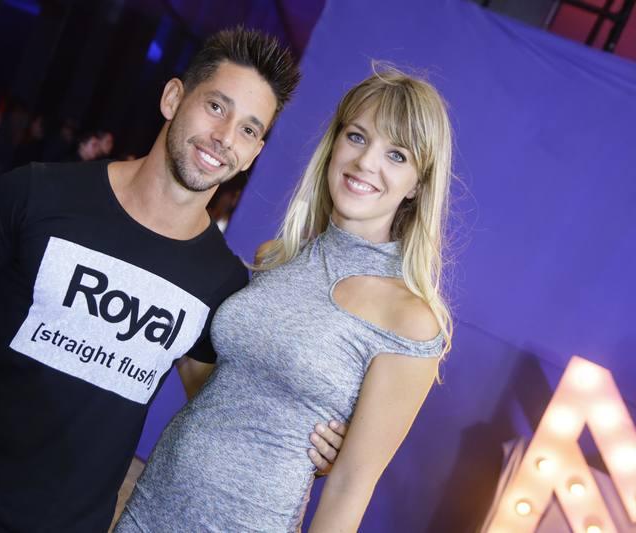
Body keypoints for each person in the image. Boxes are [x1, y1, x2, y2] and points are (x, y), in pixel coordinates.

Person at [0, 28, 346, 532]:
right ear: (173, 98)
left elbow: (227, 412)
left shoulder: (220, 283)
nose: (225, 137)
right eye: (216, 107)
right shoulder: (40, 194)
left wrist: (307, 447)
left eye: (249, 130)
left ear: (254, 153)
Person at [115, 65, 454, 532]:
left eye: (396, 155)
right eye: (357, 137)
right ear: (334, 143)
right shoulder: (274, 259)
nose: (365, 162)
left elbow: (351, 486)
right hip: (149, 506)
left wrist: (336, 454)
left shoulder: (409, 319)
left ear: (417, 184)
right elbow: (228, 390)